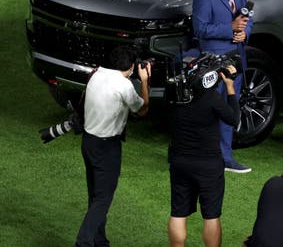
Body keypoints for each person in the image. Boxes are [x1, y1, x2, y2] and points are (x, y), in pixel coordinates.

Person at [75, 46, 151, 247]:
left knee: (95, 196)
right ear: (132, 66)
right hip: (107, 148)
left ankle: (100, 242)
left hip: (88, 143)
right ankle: (83, 242)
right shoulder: (124, 86)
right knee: (103, 199)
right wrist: (144, 81)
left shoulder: (96, 74)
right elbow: (142, 109)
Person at [192, 0, 253, 173]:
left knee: (230, 106)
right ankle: (207, 154)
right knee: (211, 110)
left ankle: (226, 157)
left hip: (235, 58)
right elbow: (200, 29)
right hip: (214, 62)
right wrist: (230, 29)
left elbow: (247, 17)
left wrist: (244, 33)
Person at [167, 61, 241, 247]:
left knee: (178, 212)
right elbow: (234, 119)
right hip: (208, 165)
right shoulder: (210, 98)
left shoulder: (175, 95)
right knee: (211, 215)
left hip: (180, 162)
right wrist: (230, 86)